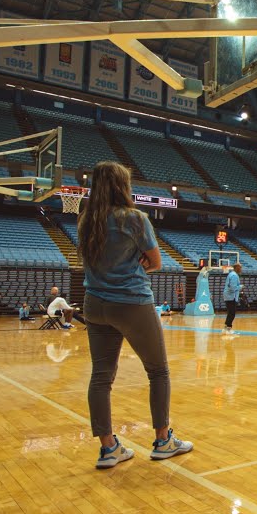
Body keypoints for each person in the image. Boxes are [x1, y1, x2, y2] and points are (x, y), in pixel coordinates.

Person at [77, 160, 192, 470]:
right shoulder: (134, 219)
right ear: (122, 186)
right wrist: (137, 261)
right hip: (131, 303)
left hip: (94, 303)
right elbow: (155, 262)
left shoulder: (86, 220)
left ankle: (108, 448)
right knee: (158, 372)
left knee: (101, 377)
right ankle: (163, 441)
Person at [223, 263, 242, 330]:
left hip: (228, 296)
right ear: (236, 268)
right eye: (240, 268)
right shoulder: (234, 276)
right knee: (232, 313)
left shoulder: (231, 274)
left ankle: (226, 327)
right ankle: (228, 328)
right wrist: (240, 287)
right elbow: (233, 288)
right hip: (231, 296)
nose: (241, 269)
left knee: (230, 312)